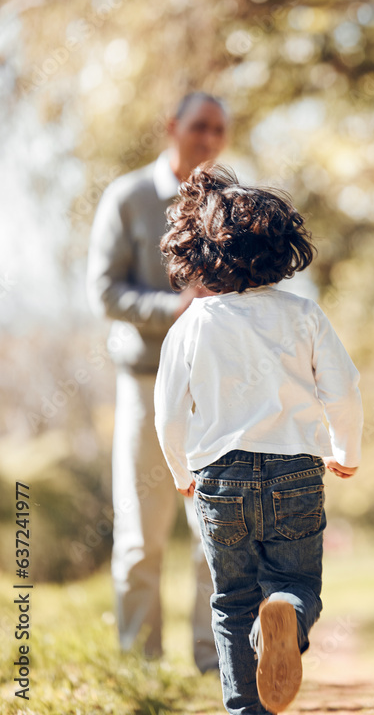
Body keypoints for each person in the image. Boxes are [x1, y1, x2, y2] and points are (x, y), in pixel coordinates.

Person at [153, 164, 363, 715]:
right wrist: (347, 451)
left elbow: (168, 415)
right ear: (280, 246)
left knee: (232, 601)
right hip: (295, 468)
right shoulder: (303, 315)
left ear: (198, 252)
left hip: (219, 479)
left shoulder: (193, 324)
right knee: (296, 581)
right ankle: (288, 613)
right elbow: (344, 391)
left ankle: (247, 708)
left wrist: (182, 476)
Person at [86, 91, 229, 671]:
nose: (209, 139)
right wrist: (171, 308)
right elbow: (103, 291)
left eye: (219, 130)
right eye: (199, 127)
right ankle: (140, 669)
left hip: (214, 387)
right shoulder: (128, 197)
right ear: (171, 126)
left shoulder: (226, 202)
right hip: (145, 382)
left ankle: (211, 661)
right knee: (141, 535)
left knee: (215, 531)